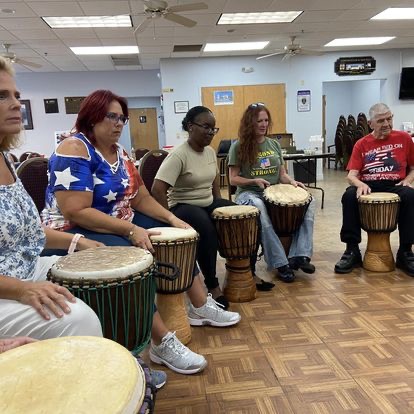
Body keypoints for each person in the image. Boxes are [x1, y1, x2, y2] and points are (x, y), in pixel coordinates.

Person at [42, 91, 240, 375]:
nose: (118, 123)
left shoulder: (120, 152)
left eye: (122, 118)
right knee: (134, 259)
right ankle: (161, 342)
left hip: (118, 220)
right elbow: (76, 210)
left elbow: (140, 197)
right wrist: (132, 229)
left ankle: (199, 304)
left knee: (175, 236)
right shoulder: (74, 148)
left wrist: (172, 218)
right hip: (74, 230)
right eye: (111, 116)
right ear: (92, 116)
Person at [0, 55, 103, 341]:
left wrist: (79, 242)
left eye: (16, 95)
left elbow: (29, 233)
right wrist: (21, 290)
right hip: (7, 287)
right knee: (77, 320)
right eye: (1, 96)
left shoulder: (5, 159)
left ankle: (121, 358)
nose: (16, 104)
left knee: (100, 275)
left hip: (29, 269)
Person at [152, 106, 274, 302]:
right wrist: (169, 221)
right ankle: (212, 285)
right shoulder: (178, 155)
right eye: (206, 127)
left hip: (207, 202)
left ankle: (249, 271)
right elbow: (157, 189)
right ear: (190, 127)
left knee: (250, 217)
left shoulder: (209, 152)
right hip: (183, 205)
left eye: (213, 128)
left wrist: (220, 204)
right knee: (207, 229)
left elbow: (214, 180)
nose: (210, 132)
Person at [227, 103, 316, 283]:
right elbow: (233, 179)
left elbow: (282, 174)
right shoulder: (238, 146)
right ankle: (280, 263)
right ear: (249, 122)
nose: (263, 124)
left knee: (309, 200)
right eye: (259, 120)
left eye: (266, 120)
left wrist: (292, 182)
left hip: (273, 193)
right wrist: (253, 181)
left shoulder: (274, 144)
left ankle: (300, 255)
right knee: (259, 206)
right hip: (249, 194)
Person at [334, 103, 414, 275]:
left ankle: (406, 252)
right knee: (349, 196)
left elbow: (413, 168)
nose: (386, 124)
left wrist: (408, 180)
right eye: (381, 121)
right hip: (369, 185)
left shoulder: (404, 138)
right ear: (370, 124)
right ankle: (352, 250)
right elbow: (351, 175)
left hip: (395, 184)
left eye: (389, 119)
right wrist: (360, 184)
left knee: (410, 195)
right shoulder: (361, 144)